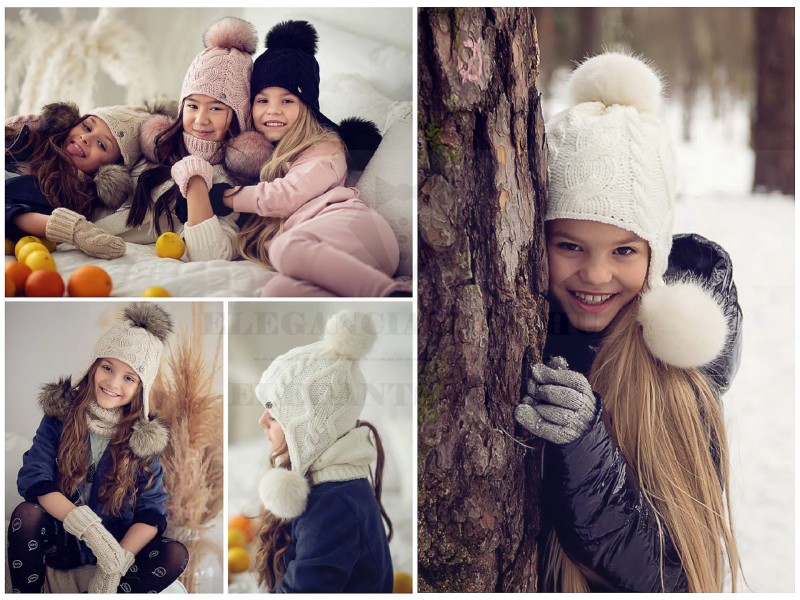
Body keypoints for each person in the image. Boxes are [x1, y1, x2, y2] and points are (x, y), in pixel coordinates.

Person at [514, 52, 743, 592]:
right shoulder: (527, 327)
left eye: (623, 250)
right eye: (569, 245)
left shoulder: (678, 381)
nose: (595, 274)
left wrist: (585, 446)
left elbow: (671, 570)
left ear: (655, 255)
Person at [173, 20, 407, 296]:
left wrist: (222, 197)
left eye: (287, 101)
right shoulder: (263, 158)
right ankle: (378, 293)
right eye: (262, 101)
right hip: (330, 259)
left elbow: (284, 196)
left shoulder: (325, 146)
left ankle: (390, 294)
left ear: (306, 107)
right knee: (275, 290)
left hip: (357, 232)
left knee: (288, 248)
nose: (273, 111)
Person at [8, 303, 188, 593]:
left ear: (140, 388)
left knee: (175, 554)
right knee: (26, 515)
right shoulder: (61, 414)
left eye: (129, 377)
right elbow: (34, 476)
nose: (113, 383)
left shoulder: (143, 441)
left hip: (115, 544)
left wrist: (115, 560)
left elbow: (152, 512)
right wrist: (89, 530)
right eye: (107, 367)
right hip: (62, 540)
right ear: (93, 366)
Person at [92, 16, 260, 261]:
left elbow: (212, 256)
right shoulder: (157, 144)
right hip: (72, 226)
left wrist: (195, 179)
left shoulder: (228, 181)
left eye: (216, 108)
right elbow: (97, 125)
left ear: (238, 116)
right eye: (192, 105)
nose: (201, 119)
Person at [252, 311, 394, 592]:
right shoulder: (326, 485)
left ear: (308, 431)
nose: (262, 421)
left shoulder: (333, 507)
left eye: (275, 415)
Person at [5, 103, 154, 259]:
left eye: (101, 145)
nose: (86, 138)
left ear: (110, 169)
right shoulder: (31, 141)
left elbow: (13, 213)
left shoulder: (71, 193)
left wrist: (75, 230)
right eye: (87, 127)